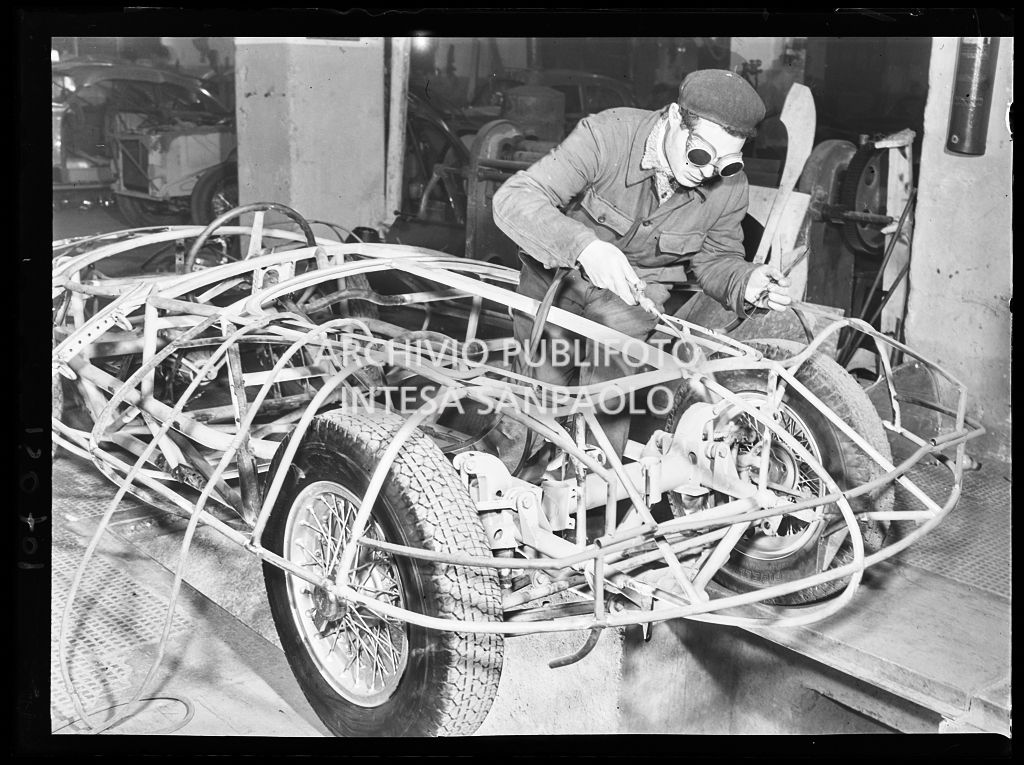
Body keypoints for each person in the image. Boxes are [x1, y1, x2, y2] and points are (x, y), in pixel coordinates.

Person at [491, 68, 792, 459]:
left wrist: (745, 280)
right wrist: (586, 247)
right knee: (537, 405)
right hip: (556, 279)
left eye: (726, 163)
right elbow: (514, 198)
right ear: (672, 119)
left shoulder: (729, 187)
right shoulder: (606, 136)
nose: (708, 172)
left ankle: (592, 498)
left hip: (633, 298)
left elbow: (717, 258)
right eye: (700, 154)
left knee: (605, 412)